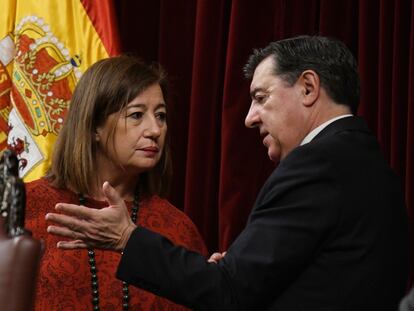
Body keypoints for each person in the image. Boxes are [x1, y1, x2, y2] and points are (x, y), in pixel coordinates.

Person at [45, 36, 408, 310]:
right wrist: (236, 275)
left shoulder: (316, 166)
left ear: (309, 88)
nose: (249, 117)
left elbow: (231, 292)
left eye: (261, 97)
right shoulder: (373, 167)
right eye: (137, 114)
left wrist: (128, 238)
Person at [25, 55, 208, 310]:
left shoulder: (177, 228)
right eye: (136, 115)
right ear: (94, 126)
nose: (155, 130)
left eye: (161, 116)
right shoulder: (25, 207)